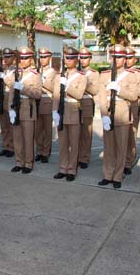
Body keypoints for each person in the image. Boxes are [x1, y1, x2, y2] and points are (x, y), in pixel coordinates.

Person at [97, 44, 138, 189]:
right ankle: (107, 174)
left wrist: (119, 89)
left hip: (122, 112)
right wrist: (103, 115)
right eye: (114, 56)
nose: (117, 60)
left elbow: (133, 96)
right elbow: (101, 97)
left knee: (121, 147)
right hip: (108, 111)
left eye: (120, 57)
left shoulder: (131, 75)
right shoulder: (104, 74)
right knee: (108, 147)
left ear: (125, 59)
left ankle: (118, 176)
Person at [52, 46, 87, 181]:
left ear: (76, 60)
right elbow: (55, 95)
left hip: (73, 111)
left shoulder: (81, 77)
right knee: (63, 143)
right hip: (62, 111)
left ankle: (72, 169)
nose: (69, 60)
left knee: (74, 143)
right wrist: (54, 111)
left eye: (72, 58)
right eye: (67, 57)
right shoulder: (59, 76)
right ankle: (63, 168)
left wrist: (67, 85)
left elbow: (78, 94)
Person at [9, 46, 42, 174]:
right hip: (17, 108)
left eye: (25, 58)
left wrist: (23, 88)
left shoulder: (35, 75)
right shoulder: (15, 73)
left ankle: (28, 163)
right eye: (20, 58)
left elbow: (38, 94)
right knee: (17, 138)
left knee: (28, 138)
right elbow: (12, 92)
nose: (22, 61)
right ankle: (19, 161)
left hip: (28, 108)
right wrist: (10, 108)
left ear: (30, 59)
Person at [124, 46, 140, 174]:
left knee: (131, 134)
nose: (127, 60)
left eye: (130, 58)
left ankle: (128, 161)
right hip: (118, 107)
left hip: (133, 106)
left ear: (135, 59)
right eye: (125, 58)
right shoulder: (118, 73)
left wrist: (126, 90)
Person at [77, 47, 99, 169]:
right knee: (76, 133)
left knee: (86, 132)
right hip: (75, 103)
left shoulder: (94, 74)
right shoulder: (75, 72)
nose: (83, 60)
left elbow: (95, 90)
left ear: (90, 59)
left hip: (86, 103)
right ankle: (76, 155)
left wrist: (83, 82)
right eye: (81, 57)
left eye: (85, 57)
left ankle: (84, 157)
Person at [35, 47, 57, 164]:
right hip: (37, 102)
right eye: (41, 57)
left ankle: (45, 152)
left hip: (47, 102)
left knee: (47, 130)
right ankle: (38, 151)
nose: (42, 60)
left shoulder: (53, 72)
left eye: (44, 57)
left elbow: (54, 88)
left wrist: (43, 81)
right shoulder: (36, 71)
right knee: (38, 130)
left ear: (49, 58)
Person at [0, 47, 16, 158]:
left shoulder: (16, 70)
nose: (6, 59)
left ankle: (12, 147)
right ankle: (6, 146)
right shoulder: (2, 69)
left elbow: (12, 85)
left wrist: (3, 77)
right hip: (2, 98)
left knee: (11, 125)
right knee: (3, 125)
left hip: (10, 98)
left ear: (13, 58)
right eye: (5, 56)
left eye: (8, 57)